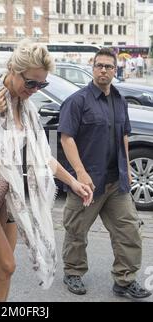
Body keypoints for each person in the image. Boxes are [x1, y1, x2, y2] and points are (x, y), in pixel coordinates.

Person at [0, 40, 93, 302]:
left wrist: (73, 182)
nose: (35, 90)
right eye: (31, 83)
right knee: (6, 265)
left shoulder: (28, 109)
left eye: (42, 85)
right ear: (13, 69)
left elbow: (43, 156)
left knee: (3, 271)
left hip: (10, 196)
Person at [58, 47, 152, 299]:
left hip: (116, 182)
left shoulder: (120, 99)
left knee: (129, 231)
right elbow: (66, 138)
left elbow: (124, 134)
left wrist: (128, 169)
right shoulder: (78, 101)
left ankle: (124, 279)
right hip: (87, 183)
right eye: (99, 65)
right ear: (93, 68)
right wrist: (79, 172)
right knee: (76, 231)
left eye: (108, 67)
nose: (103, 70)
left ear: (115, 70)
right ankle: (73, 273)